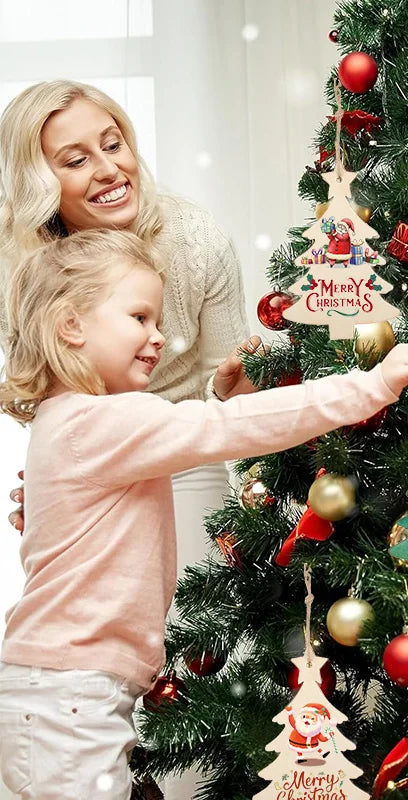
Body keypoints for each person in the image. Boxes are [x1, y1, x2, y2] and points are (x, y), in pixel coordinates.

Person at [0, 229, 408, 800]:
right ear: (71, 325)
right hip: (68, 693)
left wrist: (215, 398)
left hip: (64, 689)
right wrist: (373, 385)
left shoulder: (77, 422)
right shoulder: (97, 422)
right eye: (139, 317)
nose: (157, 336)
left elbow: (183, 433)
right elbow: (223, 429)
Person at [0, 80, 255, 594]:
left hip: (184, 451)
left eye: (113, 145)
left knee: (196, 615)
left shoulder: (193, 239)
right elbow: (42, 391)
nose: (109, 169)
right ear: (37, 183)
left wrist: (232, 391)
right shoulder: (17, 266)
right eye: (76, 161)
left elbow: (229, 389)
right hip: (93, 460)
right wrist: (54, 474)